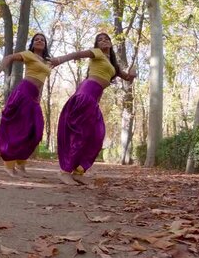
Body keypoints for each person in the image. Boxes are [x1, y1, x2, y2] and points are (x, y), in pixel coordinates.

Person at [51, 32, 136, 185]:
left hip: (94, 101)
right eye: (100, 40)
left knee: (98, 134)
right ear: (97, 45)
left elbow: (128, 78)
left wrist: (133, 72)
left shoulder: (113, 65)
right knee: (80, 134)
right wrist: (58, 60)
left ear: (110, 43)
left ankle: (78, 171)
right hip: (86, 94)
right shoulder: (96, 53)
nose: (103, 41)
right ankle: (65, 172)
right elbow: (76, 54)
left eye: (106, 39)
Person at [0, 33, 51, 177]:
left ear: (45, 44)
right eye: (36, 39)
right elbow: (9, 57)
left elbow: (42, 81)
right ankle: (9, 164)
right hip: (24, 92)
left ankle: (21, 164)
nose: (39, 41)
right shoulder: (28, 54)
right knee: (17, 128)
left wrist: (39, 97)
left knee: (36, 131)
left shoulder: (47, 62)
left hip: (34, 97)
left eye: (42, 40)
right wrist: (0, 68)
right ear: (32, 44)